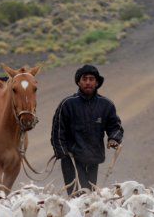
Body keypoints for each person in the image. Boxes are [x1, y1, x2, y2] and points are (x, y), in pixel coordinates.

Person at [51, 64, 123, 195]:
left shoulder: (106, 105)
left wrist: (113, 138)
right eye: (84, 79)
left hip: (93, 158)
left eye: (91, 79)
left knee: (90, 196)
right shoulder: (67, 104)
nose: (88, 82)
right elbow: (57, 131)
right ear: (78, 82)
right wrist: (63, 153)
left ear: (97, 82)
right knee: (76, 196)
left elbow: (115, 126)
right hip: (71, 159)